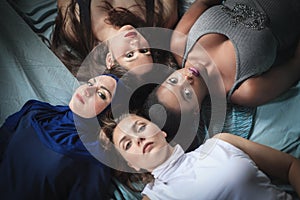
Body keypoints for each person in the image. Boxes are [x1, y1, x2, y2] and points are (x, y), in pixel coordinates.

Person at [101, 113, 300, 200]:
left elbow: (290, 166)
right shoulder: (154, 197)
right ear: (132, 165)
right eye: (127, 143)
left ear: (161, 131)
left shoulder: (221, 143)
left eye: (141, 127)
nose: (139, 139)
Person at [0, 74, 121, 199]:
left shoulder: (94, 158)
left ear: (109, 114)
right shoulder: (35, 111)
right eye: (90, 83)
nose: (87, 90)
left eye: (101, 94)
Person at [51, 0, 178, 76]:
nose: (136, 44)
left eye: (129, 55)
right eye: (144, 50)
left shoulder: (74, 26)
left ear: (110, 60)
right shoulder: (162, 15)